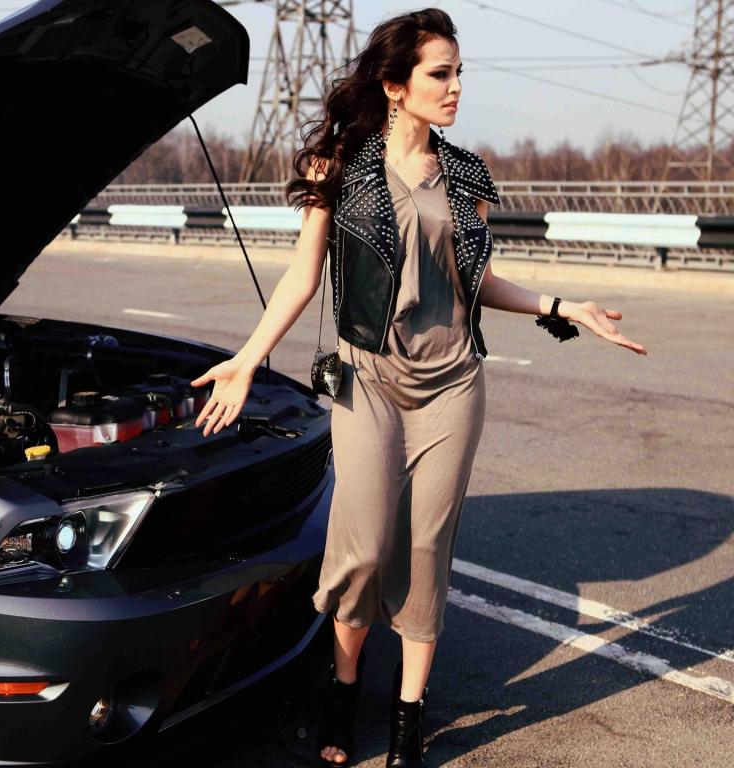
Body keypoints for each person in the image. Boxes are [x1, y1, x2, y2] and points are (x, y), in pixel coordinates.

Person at [191, 8, 646, 767]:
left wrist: (563, 307)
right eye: (442, 73)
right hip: (368, 377)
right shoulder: (340, 167)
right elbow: (304, 275)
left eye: (460, 73)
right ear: (395, 85)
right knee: (365, 545)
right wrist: (247, 358)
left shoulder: (466, 175)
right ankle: (342, 687)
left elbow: (476, 280)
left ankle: (408, 715)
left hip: (453, 384)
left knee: (428, 547)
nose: (457, 86)